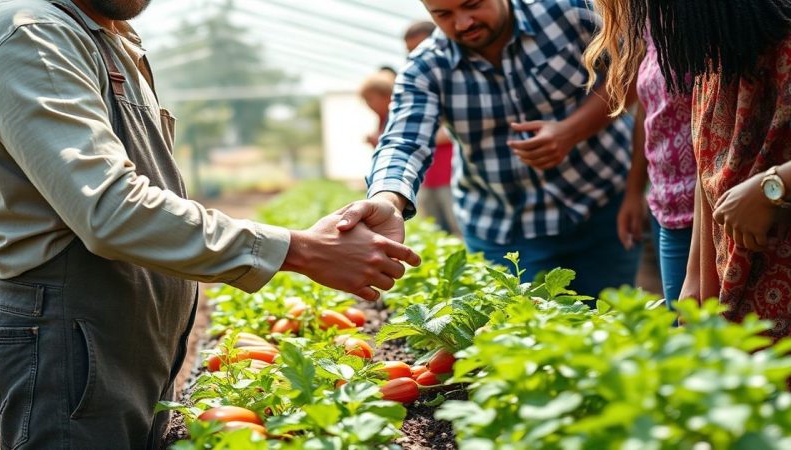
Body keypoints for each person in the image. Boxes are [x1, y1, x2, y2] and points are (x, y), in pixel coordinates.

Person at [0, 0, 420, 447]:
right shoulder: (33, 32)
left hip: (121, 339)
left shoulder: (112, 37)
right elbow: (110, 210)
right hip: (71, 339)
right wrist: (302, 249)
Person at [338, 0, 639, 297]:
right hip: (504, 227)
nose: (463, 23)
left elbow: (633, 68)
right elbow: (403, 139)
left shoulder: (568, 12)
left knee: (610, 326)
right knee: (525, 333)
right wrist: (388, 200)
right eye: (443, 14)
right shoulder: (426, 68)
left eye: (473, 5)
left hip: (603, 206)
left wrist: (572, 131)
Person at [583, 0, 791, 338]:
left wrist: (773, 186)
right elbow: (705, 163)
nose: (657, 22)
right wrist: (695, 279)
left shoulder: (781, 44)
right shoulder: (712, 63)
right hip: (734, 273)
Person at [597, 27, 695, 307]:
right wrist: (634, 190)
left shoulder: (708, 18)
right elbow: (649, 109)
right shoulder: (651, 21)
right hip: (667, 204)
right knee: (678, 322)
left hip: (713, 207)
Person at [403, 20, 462, 237]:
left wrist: (425, 136)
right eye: (410, 50)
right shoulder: (417, 82)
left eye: (420, 46)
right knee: (437, 234)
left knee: (459, 232)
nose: (417, 55)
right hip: (428, 176)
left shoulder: (455, 77)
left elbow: (455, 129)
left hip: (452, 174)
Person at [359, 70, 397, 148]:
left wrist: (377, 140)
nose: (368, 105)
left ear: (386, 96)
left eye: (369, 99)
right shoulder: (382, 118)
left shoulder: (396, 117)